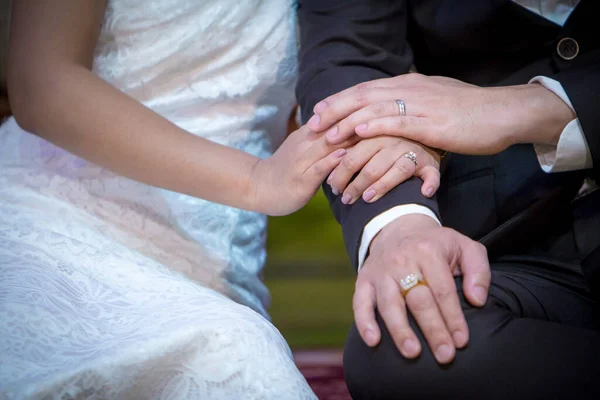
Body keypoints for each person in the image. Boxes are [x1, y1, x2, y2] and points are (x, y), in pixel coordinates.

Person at [0, 0, 443, 398]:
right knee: (234, 354)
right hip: (54, 220)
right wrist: (257, 180)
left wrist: (406, 129)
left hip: (215, 259)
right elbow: (41, 85)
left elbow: (337, 74)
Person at [297, 0, 600, 399]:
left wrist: (527, 109)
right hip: (513, 244)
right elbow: (349, 62)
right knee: (404, 348)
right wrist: (401, 225)